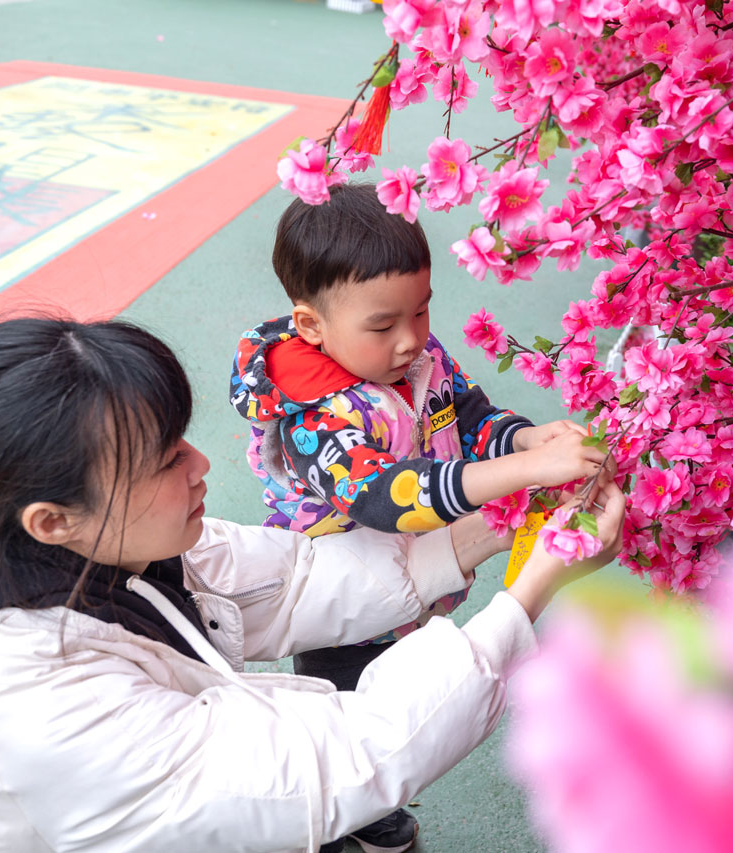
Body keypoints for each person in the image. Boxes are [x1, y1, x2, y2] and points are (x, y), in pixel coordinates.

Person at [0, 317, 624, 853]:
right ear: (53, 519)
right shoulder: (25, 692)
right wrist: (530, 588)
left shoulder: (74, 542)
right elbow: (336, 761)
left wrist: (501, 522)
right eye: (163, 460)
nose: (201, 464)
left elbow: (291, 579)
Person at [228, 183, 605, 850]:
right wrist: (521, 474)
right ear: (312, 325)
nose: (411, 340)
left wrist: (523, 441)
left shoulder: (417, 362)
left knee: (413, 684)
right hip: (337, 601)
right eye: (383, 324)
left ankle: (373, 807)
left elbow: (470, 416)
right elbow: (388, 494)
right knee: (353, 721)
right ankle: (359, 821)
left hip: (414, 576)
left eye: (422, 312)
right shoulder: (316, 413)